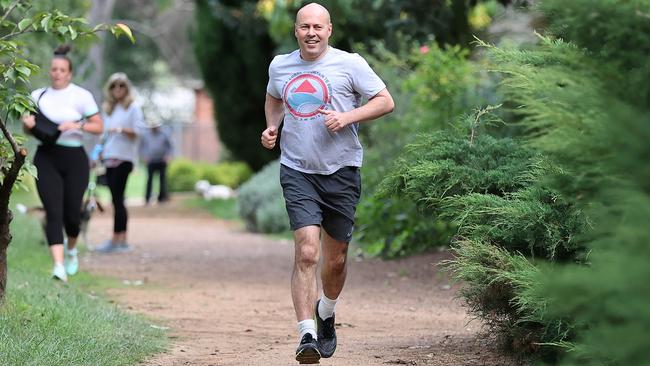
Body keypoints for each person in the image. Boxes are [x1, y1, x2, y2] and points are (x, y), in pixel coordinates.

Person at [261, 3, 394, 363]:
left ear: (329, 30)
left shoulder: (350, 64)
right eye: (304, 27)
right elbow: (273, 99)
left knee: (335, 261)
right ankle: (306, 333)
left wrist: (348, 116)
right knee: (307, 251)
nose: (311, 33)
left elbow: (385, 101)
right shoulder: (280, 65)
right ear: (296, 31)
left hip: (341, 170)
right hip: (297, 169)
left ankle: (326, 311)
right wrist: (273, 127)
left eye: (318, 26)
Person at [21, 45, 103, 282]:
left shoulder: (81, 96)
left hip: (75, 158)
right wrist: (27, 124)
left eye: (62, 70)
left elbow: (99, 126)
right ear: (50, 71)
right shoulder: (37, 96)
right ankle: (58, 266)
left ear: (70, 73)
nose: (57, 73)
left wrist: (76, 125)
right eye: (54, 69)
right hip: (46, 158)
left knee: (72, 217)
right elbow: (30, 127)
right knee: (53, 212)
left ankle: (71, 250)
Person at [94, 73, 143, 253]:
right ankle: (118, 239)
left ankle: (119, 239)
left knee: (118, 198)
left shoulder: (133, 108)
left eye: (121, 86)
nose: (118, 89)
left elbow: (139, 132)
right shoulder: (109, 109)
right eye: (114, 86)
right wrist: (97, 154)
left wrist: (121, 130)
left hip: (124, 158)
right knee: (115, 199)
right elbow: (104, 135)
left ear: (127, 88)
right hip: (109, 157)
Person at [139, 119, 173, 205]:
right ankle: (147, 198)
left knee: (162, 179)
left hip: (162, 160)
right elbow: (142, 147)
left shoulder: (164, 134)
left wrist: (168, 156)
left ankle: (162, 198)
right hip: (151, 160)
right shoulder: (146, 135)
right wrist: (145, 156)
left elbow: (170, 146)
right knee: (149, 179)